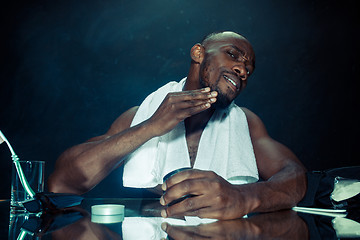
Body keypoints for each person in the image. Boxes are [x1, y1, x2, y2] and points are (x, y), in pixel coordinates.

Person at [48, 31, 307, 220]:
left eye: (248, 69)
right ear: (198, 53)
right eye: (232, 54)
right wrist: (151, 127)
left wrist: (244, 197)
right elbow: (61, 185)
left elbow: (295, 176)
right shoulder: (142, 115)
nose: (242, 69)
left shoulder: (246, 122)